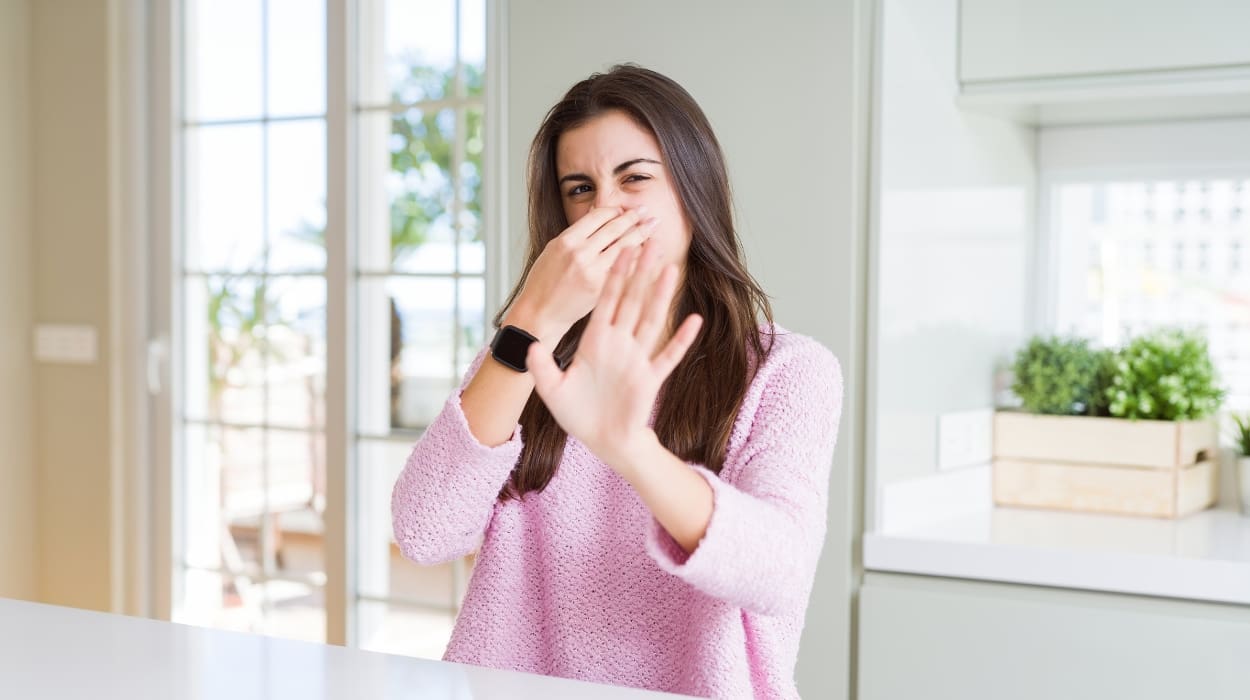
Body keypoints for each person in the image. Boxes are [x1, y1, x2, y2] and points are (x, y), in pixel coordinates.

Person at [391, 64, 843, 699]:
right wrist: (530, 319)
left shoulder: (789, 372)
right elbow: (424, 530)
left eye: (634, 179)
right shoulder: (525, 357)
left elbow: (779, 569)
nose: (605, 210)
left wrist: (632, 449)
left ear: (693, 189)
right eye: (580, 189)